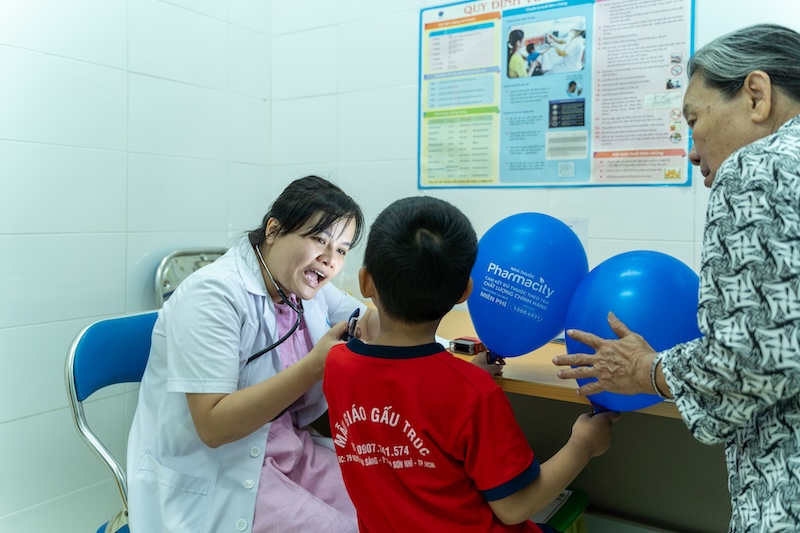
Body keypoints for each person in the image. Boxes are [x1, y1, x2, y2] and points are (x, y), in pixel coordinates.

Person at [552, 23, 800, 532]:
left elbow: (748, 362)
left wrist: (647, 370)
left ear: (756, 95)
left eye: (693, 120)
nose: (691, 150)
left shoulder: (758, 167)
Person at [324, 196, 618, 532]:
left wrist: (461, 380)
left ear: (365, 282)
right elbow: (516, 505)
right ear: (465, 291)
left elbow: (403, 398)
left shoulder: (336, 365)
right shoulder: (473, 395)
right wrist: (583, 444)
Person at [127, 175, 379, 533]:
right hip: (221, 471)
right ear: (274, 229)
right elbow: (213, 427)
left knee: (385, 504)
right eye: (319, 240)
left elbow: (369, 324)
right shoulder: (212, 295)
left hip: (286, 453)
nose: (330, 261)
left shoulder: (303, 287)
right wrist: (314, 367)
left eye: (341, 249)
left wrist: (417, 302)